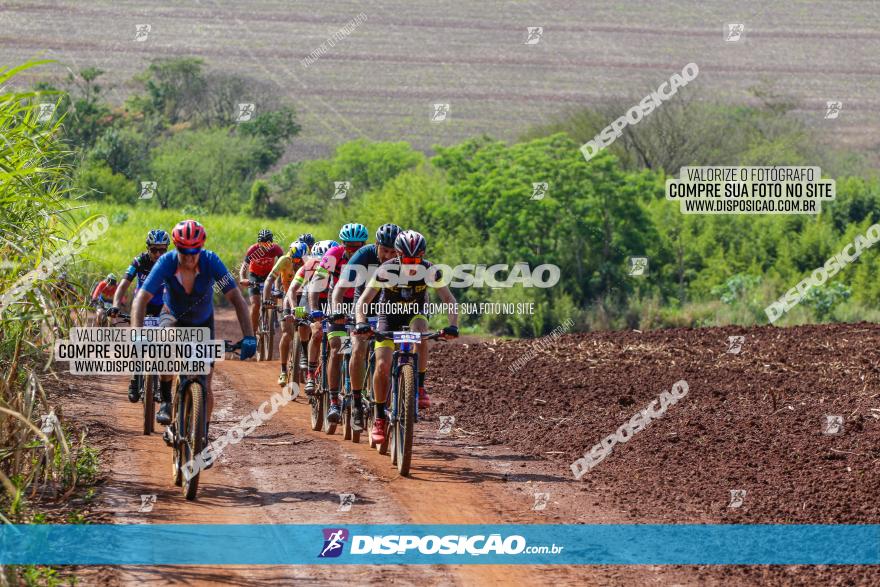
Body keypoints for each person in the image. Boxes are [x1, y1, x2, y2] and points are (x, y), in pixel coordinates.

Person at [132, 219, 256, 429]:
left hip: (202, 322)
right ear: (176, 247)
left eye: (194, 251)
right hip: (172, 316)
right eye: (184, 252)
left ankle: (202, 435)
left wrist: (249, 336)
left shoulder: (211, 262)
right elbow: (141, 299)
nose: (189, 258)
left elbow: (236, 298)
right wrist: (137, 334)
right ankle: (165, 400)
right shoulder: (166, 262)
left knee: (206, 386)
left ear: (202, 247)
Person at [354, 230, 459, 445]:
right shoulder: (386, 269)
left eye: (416, 259)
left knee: (420, 329)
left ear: (422, 256)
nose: (412, 265)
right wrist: (361, 322)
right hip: (388, 316)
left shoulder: (430, 270)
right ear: (398, 256)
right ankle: (379, 418)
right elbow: (363, 300)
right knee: (383, 365)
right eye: (407, 260)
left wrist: (453, 326)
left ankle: (419, 385)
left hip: (415, 314)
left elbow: (448, 298)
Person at [331, 223, 401, 430]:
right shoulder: (363, 255)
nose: (388, 255)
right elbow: (339, 289)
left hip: (387, 308)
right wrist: (337, 310)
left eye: (392, 252)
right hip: (363, 305)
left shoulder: (402, 261)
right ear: (376, 245)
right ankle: (355, 402)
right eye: (384, 250)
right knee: (358, 346)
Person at [308, 223, 368, 424]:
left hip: (359, 304)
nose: (352, 251)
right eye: (349, 246)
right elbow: (316, 284)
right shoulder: (334, 254)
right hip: (337, 303)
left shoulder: (368, 257)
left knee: (361, 346)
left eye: (357, 246)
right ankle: (334, 400)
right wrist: (315, 310)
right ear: (343, 245)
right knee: (338, 348)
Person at [110, 229, 171, 402]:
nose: (158, 254)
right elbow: (122, 286)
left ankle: (160, 386)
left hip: (162, 306)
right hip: (141, 305)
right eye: (154, 250)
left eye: (162, 250)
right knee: (137, 342)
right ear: (147, 249)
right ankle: (135, 380)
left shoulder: (170, 264)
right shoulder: (138, 261)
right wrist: (115, 305)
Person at [284, 239, 336, 394]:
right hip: (310, 297)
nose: (321, 265)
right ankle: (306, 353)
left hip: (330, 300)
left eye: (325, 261)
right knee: (304, 320)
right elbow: (292, 290)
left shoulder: (340, 267)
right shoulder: (308, 267)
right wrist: (293, 310)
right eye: (318, 260)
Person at [264, 240, 308, 385]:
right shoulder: (284, 260)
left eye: (300, 261)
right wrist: (266, 299)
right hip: (287, 297)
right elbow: (270, 278)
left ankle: (304, 360)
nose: (297, 264)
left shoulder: (309, 262)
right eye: (294, 260)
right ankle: (283, 371)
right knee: (287, 333)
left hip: (303, 298)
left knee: (306, 330)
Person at [239, 229, 283, 337]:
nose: (265, 246)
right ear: (259, 243)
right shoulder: (253, 250)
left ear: (271, 243)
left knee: (275, 292)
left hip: (269, 275)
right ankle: (252, 334)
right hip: (255, 276)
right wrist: (242, 279)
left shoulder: (276, 249)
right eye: (262, 243)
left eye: (268, 243)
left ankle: (274, 316)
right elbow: (243, 269)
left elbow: (284, 263)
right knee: (256, 304)